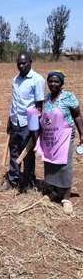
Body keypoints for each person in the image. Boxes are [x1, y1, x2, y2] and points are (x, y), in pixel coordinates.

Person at [35, 70, 83, 214]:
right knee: (49, 165)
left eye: (56, 81)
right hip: (50, 138)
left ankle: (66, 198)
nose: (53, 84)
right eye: (50, 81)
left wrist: (82, 134)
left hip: (65, 137)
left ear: (61, 83)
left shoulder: (69, 97)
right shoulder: (46, 99)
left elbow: (77, 116)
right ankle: (52, 192)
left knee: (65, 166)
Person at [1, 52, 45, 192]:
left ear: (30, 62)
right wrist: (10, 119)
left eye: (24, 63)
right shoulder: (15, 80)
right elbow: (15, 102)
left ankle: (28, 180)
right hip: (15, 121)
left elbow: (39, 106)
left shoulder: (37, 79)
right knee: (13, 151)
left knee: (28, 153)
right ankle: (13, 179)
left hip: (29, 122)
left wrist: (35, 128)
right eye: (18, 63)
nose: (21, 66)